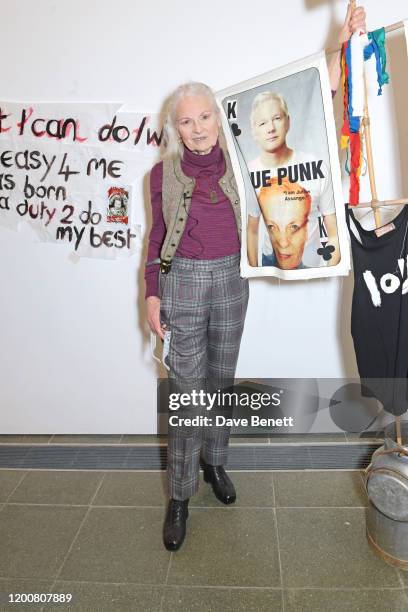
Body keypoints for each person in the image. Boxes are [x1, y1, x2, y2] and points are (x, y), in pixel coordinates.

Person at [145, 82, 249, 551]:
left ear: (218, 117)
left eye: (204, 117)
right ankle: (181, 495)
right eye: (186, 121)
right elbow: (154, 241)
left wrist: (340, 59)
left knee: (222, 380)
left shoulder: (244, 161)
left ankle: (215, 461)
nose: (197, 129)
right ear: (176, 128)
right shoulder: (160, 175)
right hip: (182, 282)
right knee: (188, 393)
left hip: (232, 281)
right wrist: (151, 295)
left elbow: (303, 112)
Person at [246, 3, 366, 268]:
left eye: (276, 118)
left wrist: (345, 44)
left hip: (307, 261)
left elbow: (325, 94)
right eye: (263, 122)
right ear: (253, 130)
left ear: (288, 122)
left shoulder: (312, 159)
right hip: (265, 262)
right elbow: (252, 229)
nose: (270, 127)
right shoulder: (249, 167)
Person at [258, 177, 312, 269]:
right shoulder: (257, 264)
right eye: (272, 226)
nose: (283, 243)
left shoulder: (318, 276)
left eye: (294, 227)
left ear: (306, 231)